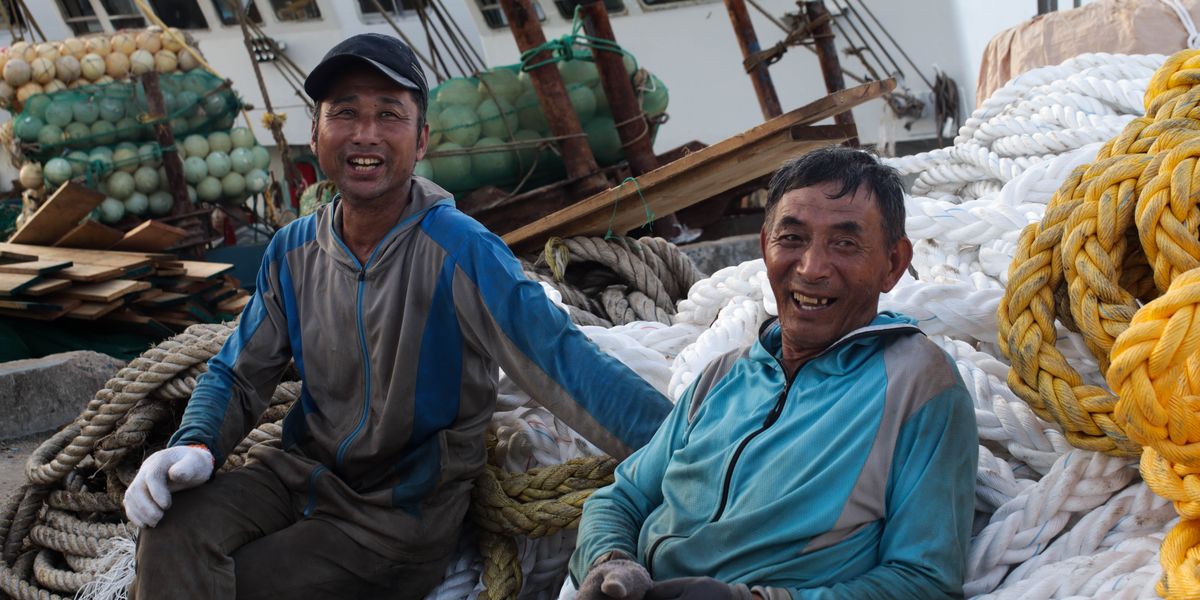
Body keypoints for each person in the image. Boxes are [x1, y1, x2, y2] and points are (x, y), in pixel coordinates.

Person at [123, 33, 673, 599]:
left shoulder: (459, 248)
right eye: (344, 113)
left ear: (422, 138)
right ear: (314, 133)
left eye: (389, 114)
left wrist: (685, 450)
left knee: (244, 584)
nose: (365, 134)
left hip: (394, 518)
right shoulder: (291, 250)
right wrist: (195, 444)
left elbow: (561, 360)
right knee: (169, 527)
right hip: (297, 475)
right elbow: (239, 373)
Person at [569, 147, 978, 600]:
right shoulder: (722, 375)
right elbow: (620, 498)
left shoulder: (919, 386)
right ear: (765, 246)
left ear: (893, 264)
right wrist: (610, 563)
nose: (811, 268)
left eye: (845, 243)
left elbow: (925, 582)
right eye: (793, 239)